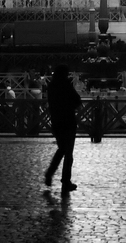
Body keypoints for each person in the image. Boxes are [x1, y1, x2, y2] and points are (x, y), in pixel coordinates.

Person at [44, 64, 82, 195]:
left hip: (56, 121)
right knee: (68, 153)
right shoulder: (66, 85)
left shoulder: (51, 86)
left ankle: (50, 173)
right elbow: (77, 100)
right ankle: (65, 180)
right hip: (68, 121)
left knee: (61, 149)